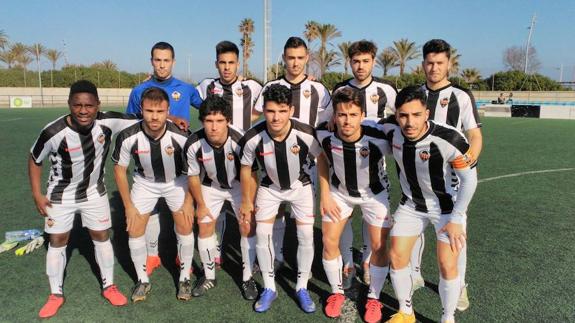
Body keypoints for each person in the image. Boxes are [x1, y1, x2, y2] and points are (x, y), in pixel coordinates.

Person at [29, 80, 139, 318]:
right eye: (77, 105)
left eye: (88, 105)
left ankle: (109, 285)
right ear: (69, 104)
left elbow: (145, 117)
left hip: (93, 193)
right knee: (57, 239)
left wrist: (172, 119)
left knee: (101, 236)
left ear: (97, 105)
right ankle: (55, 293)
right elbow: (34, 158)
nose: (83, 110)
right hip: (60, 195)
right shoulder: (53, 132)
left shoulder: (107, 121)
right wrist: (37, 194)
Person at [383, 86, 477, 323]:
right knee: (396, 256)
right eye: (403, 115)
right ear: (396, 115)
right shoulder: (390, 130)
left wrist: (457, 218)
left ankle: (447, 317)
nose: (409, 122)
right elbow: (361, 123)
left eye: (416, 115)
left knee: (447, 264)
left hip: (446, 209)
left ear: (426, 113)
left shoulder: (450, 138)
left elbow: (469, 181)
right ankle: (406, 312)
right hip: (412, 205)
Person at [410, 39, 483, 312]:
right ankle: (415, 275)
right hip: (419, 178)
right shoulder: (415, 94)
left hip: (451, 183)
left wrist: (470, 159)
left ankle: (460, 284)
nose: (434, 68)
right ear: (423, 64)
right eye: (429, 62)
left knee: (455, 235)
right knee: (415, 227)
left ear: (449, 64)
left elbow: (475, 134)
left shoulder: (461, 96)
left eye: (440, 63)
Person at [239, 84, 323, 313]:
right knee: (263, 235)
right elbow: (246, 168)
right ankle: (269, 287)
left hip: (300, 186)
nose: (276, 117)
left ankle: (302, 287)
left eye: (282, 110)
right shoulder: (252, 137)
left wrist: (325, 194)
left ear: (291, 110)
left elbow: (322, 159)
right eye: (270, 111)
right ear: (263, 110)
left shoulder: (305, 132)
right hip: (270, 187)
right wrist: (246, 200)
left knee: (306, 235)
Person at [253, 36, 331, 273]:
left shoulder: (318, 89)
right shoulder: (270, 87)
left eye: (300, 58)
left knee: (303, 219)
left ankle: (302, 264)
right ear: (284, 58)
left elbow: (328, 124)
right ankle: (275, 256)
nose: (295, 63)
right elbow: (255, 118)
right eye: (290, 58)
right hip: (275, 160)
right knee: (276, 211)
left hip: (309, 162)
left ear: (307, 58)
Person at [126, 41, 202, 277]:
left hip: (179, 164)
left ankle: (182, 256)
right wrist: (170, 117)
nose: (161, 65)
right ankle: (152, 255)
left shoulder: (186, 88)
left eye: (166, 60)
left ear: (173, 62)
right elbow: (130, 122)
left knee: (184, 216)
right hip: (148, 161)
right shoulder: (139, 91)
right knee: (151, 211)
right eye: (157, 60)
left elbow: (208, 107)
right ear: (151, 61)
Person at [316, 87, 392, 322]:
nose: (346, 121)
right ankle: (337, 292)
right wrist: (325, 194)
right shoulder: (324, 134)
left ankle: (374, 297)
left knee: (379, 247)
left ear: (362, 115)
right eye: (341, 115)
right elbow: (320, 156)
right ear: (334, 116)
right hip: (340, 193)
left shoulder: (379, 137)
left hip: (374, 195)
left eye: (352, 115)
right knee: (329, 241)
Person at [112, 87, 194, 302]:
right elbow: (120, 170)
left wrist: (188, 201)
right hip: (144, 183)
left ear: (168, 111)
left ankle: (184, 278)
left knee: (185, 224)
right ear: (142, 109)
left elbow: (196, 171)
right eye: (149, 111)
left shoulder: (181, 136)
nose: (154, 116)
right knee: (135, 228)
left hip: (177, 181)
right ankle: (142, 280)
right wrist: (128, 206)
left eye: (160, 111)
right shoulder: (128, 136)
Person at [331, 40, 397, 287]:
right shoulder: (339, 89)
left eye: (365, 61)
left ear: (373, 61)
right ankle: (347, 263)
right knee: (344, 218)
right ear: (350, 62)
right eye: (356, 61)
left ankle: (368, 263)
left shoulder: (386, 89)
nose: (360, 66)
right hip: (343, 165)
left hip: (374, 166)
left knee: (372, 219)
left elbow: (399, 115)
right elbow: (330, 118)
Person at [196, 41, 262, 269]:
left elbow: (273, 98)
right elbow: (186, 98)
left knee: (247, 211)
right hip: (213, 152)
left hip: (242, 154)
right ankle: (216, 250)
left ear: (238, 64)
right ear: (216, 64)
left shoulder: (252, 86)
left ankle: (253, 258)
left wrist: (245, 124)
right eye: (222, 63)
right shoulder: (206, 85)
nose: (226, 67)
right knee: (215, 205)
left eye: (231, 63)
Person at [185, 96, 259, 300]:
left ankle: (247, 277)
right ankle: (209, 276)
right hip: (211, 185)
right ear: (202, 121)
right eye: (209, 121)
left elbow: (252, 175)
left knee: (247, 225)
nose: (214, 127)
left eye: (219, 121)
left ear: (227, 120)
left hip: (238, 185)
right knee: (205, 224)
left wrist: (247, 202)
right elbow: (192, 176)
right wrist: (199, 204)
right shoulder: (193, 143)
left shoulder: (241, 141)